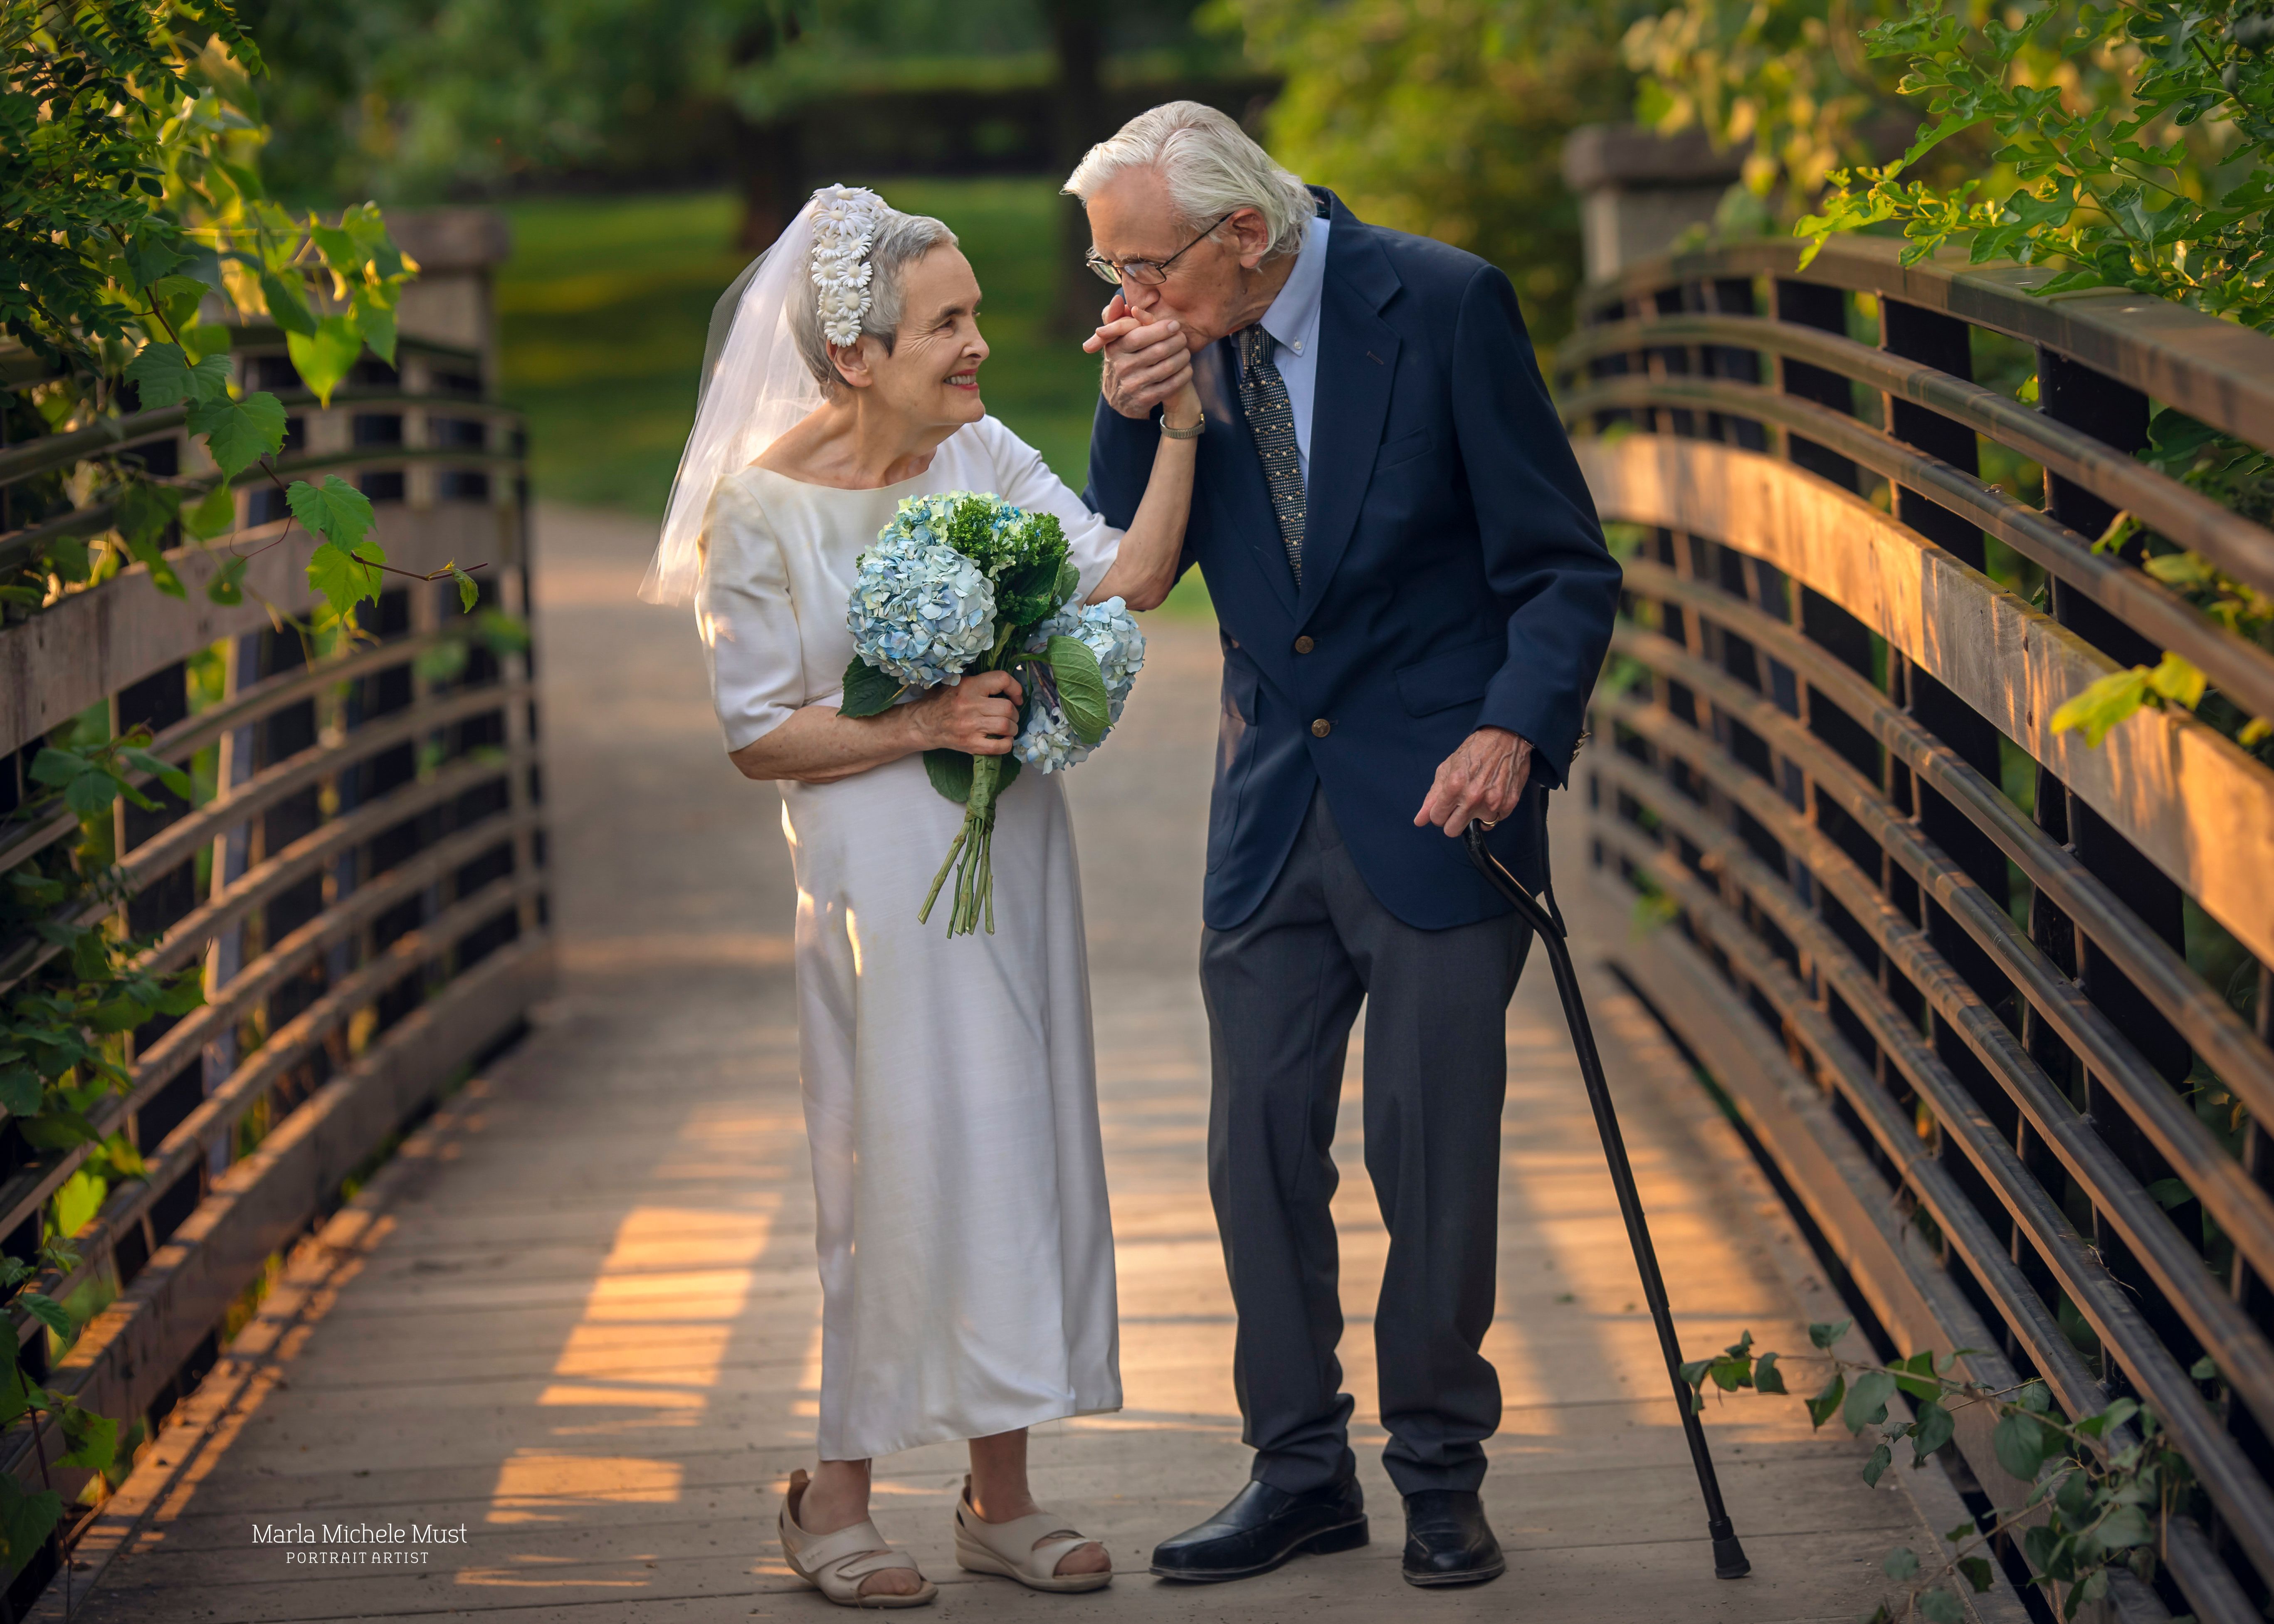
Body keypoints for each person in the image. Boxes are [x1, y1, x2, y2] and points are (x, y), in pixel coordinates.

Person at [1069, 104, 1623, 1589]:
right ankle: (1298, 1469)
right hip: (1267, 809)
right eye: (1103, 272)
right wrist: (1144, 408)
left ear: (1242, 236)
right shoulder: (1169, 345)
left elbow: (1566, 569)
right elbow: (1130, 561)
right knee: (1257, 1150)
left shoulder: (1441, 303)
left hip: (1449, 798)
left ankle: (1442, 1469)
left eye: (1139, 266)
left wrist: (1514, 731)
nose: (1120, 300)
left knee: (1428, 1153)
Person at [642, 185, 1202, 1607]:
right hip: (873, 880)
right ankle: (834, 1486)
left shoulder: (984, 453)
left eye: (973, 315)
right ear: (854, 355)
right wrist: (919, 726)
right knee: (888, 1160)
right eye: (947, 323)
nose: (978, 347)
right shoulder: (758, 511)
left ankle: (998, 1497)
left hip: (1010, 854)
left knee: (1014, 1141)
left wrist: (1181, 425)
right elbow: (758, 730)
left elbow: (1131, 574)